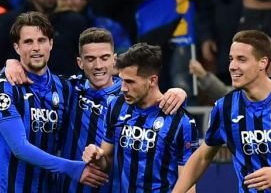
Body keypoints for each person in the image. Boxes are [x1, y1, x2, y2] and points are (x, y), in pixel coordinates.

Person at [4, 27, 188, 193]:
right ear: (80, 62)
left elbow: (158, 104)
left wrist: (179, 92)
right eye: (90, 59)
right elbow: (38, 77)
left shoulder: (129, 95)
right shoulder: (69, 90)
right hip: (71, 187)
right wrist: (12, 63)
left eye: (104, 58)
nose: (98, 66)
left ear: (114, 60)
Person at [172, 30, 271, 193]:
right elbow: (202, 157)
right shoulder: (224, 107)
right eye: (231, 59)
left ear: (262, 63)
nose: (233, 66)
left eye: (241, 59)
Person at [0, 12, 108, 192]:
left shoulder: (66, 88)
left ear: (51, 43)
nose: (36, 47)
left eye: (42, 40)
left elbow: (103, 86)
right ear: (17, 47)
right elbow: (19, 148)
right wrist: (73, 168)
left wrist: (167, 93)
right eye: (28, 42)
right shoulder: (5, 86)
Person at [83, 42, 199, 192]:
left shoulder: (181, 122)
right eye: (122, 80)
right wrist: (97, 158)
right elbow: (107, 160)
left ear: (152, 80)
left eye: (130, 82)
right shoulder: (116, 106)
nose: (123, 88)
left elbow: (188, 185)